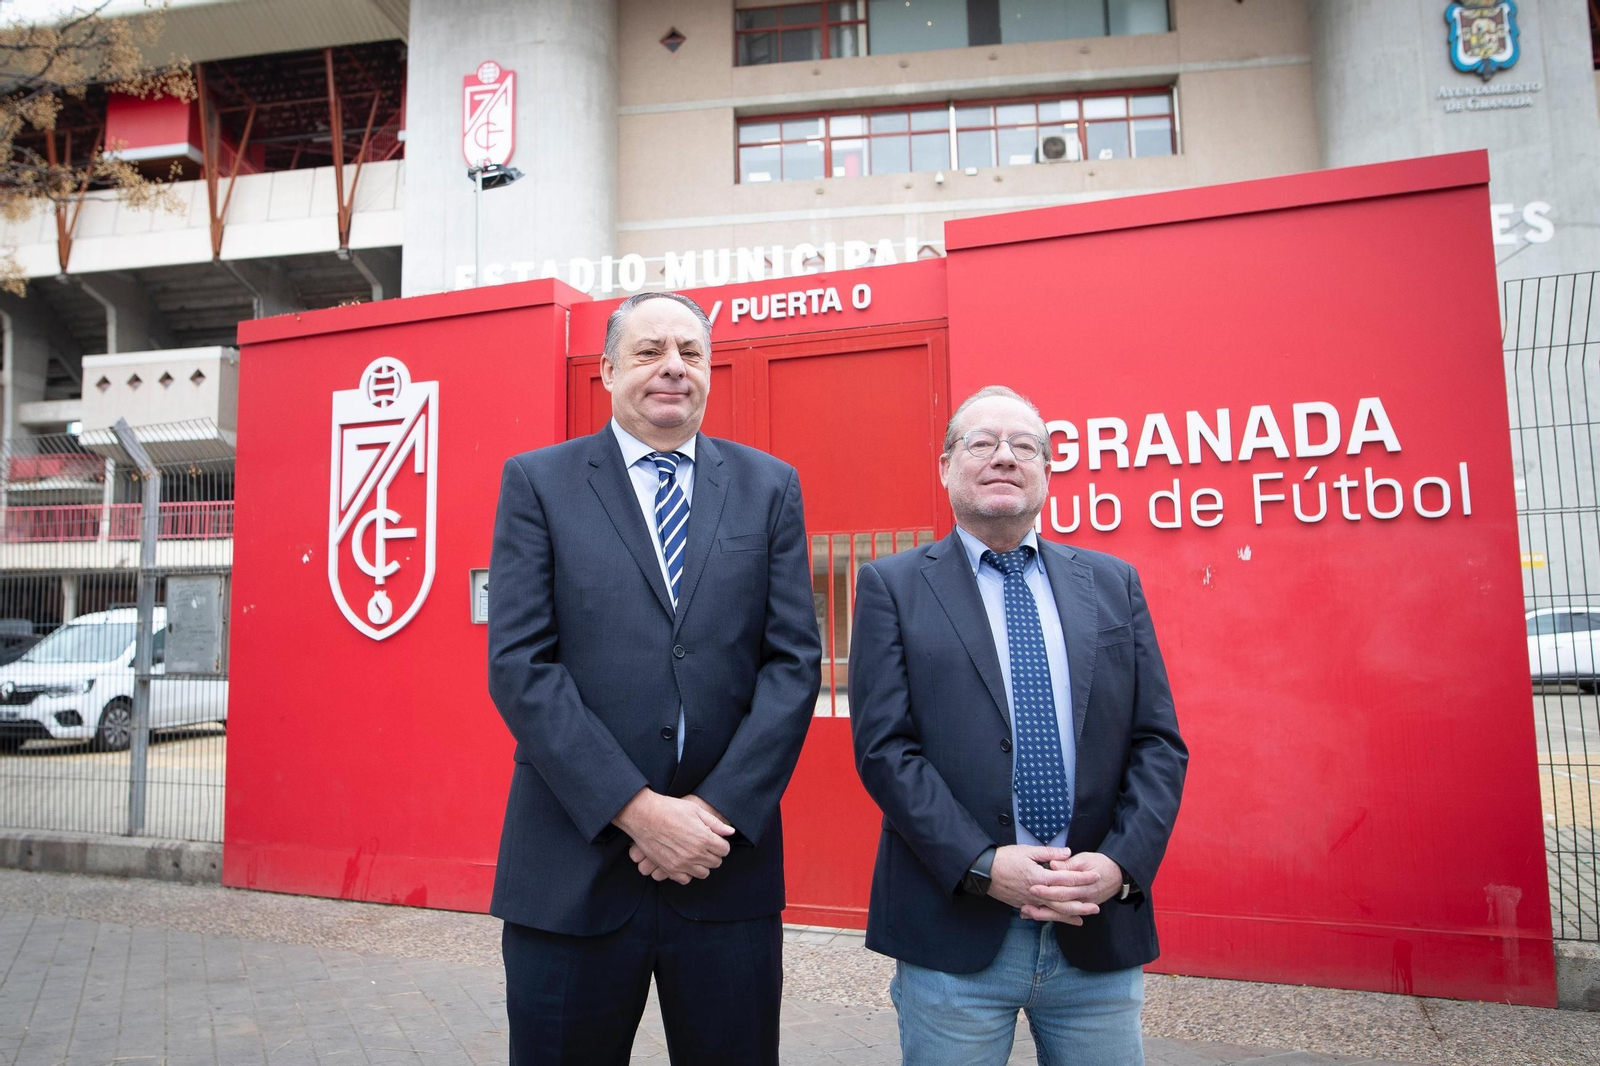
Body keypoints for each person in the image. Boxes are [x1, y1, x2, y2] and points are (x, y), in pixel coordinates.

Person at [486, 291, 822, 1065]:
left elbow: (792, 664)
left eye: (691, 353)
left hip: (723, 867)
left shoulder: (769, 487)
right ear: (607, 370)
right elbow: (521, 666)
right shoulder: (539, 483)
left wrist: (713, 814)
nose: (673, 367)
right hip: (570, 873)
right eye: (648, 352)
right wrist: (637, 811)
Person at [848, 385, 1187, 1065]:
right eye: (982, 442)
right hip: (955, 937)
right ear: (945, 467)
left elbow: (1158, 743)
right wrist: (980, 866)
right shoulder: (892, 586)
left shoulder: (1113, 582)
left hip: (1094, 929)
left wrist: (1121, 864)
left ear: (1047, 472)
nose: (1004, 456)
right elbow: (886, 750)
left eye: (1024, 445)